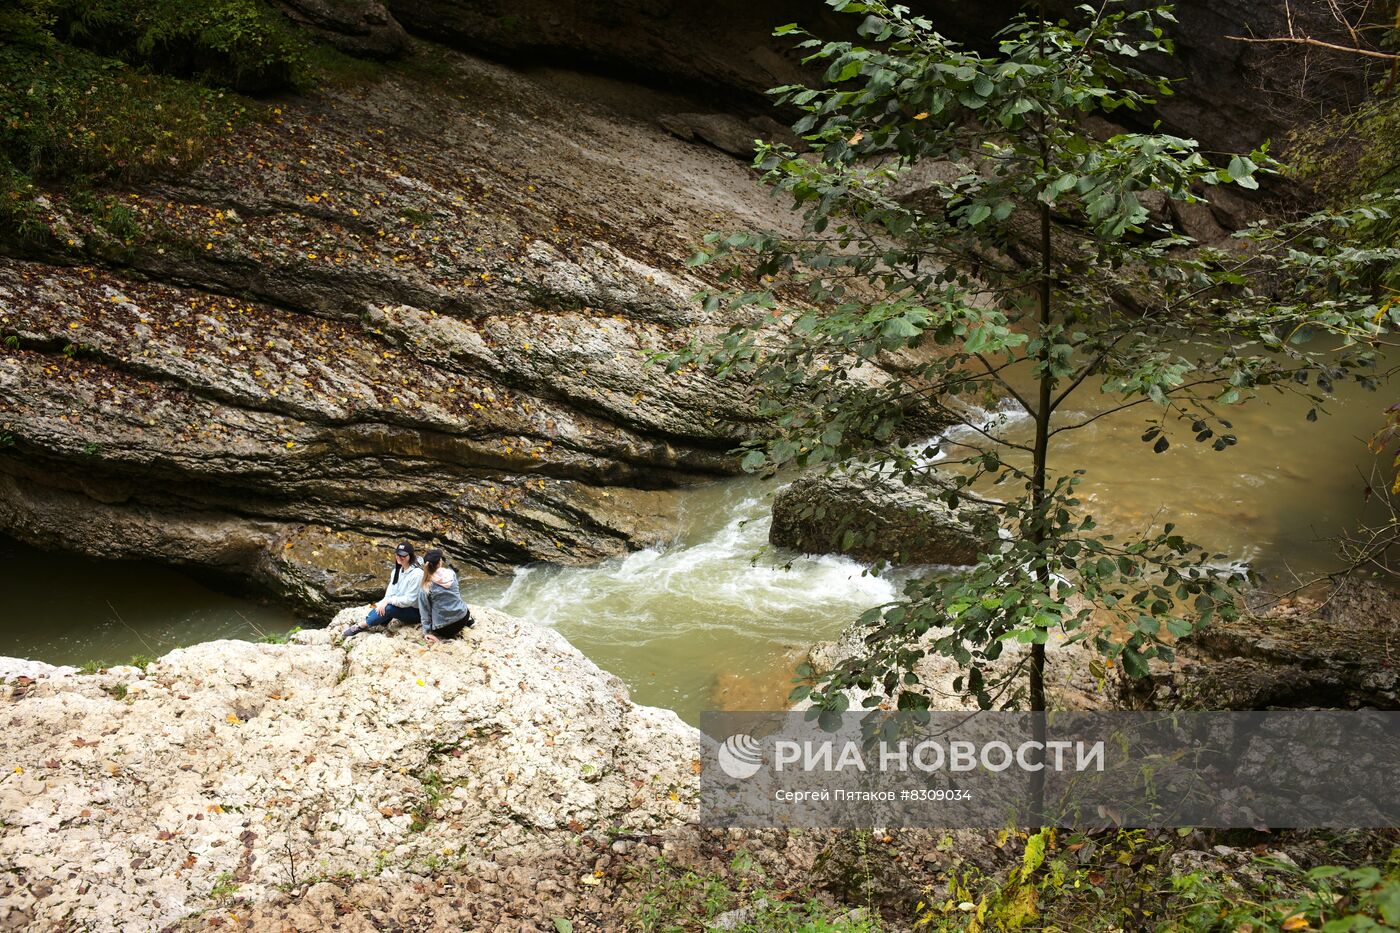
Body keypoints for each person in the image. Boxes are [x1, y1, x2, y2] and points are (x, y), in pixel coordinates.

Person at [343, 542, 423, 638]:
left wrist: (388, 601)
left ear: (410, 556)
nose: (399, 557)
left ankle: (362, 625)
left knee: (389, 608)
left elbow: (409, 600)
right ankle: (377, 620)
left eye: (403, 555)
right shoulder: (396, 571)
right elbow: (390, 593)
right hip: (403, 607)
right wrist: (383, 602)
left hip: (415, 612)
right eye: (397, 554)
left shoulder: (417, 574)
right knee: (383, 605)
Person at [416, 548, 473, 642]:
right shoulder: (451, 574)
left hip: (445, 630)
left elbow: (424, 611)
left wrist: (427, 632)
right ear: (439, 563)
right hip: (463, 618)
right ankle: (469, 621)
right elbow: (457, 595)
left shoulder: (425, 585)